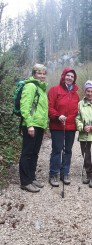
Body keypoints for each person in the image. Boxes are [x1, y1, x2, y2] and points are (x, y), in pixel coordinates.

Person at [19, 63, 48, 192]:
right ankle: (25, 182)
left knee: (34, 153)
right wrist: (29, 124)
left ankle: (31, 178)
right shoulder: (30, 86)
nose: (42, 76)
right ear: (34, 74)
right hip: (31, 125)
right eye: (39, 73)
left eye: (43, 73)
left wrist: (44, 127)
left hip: (39, 125)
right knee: (27, 153)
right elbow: (25, 107)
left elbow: (42, 110)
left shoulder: (40, 88)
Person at [48, 68, 79, 187]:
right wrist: (57, 116)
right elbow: (49, 106)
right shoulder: (54, 90)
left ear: (74, 79)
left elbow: (76, 110)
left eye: (72, 76)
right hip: (57, 125)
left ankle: (65, 173)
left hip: (70, 126)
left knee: (68, 150)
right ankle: (54, 173)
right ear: (63, 76)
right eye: (68, 75)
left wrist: (69, 119)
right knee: (57, 150)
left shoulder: (76, 94)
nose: (70, 78)